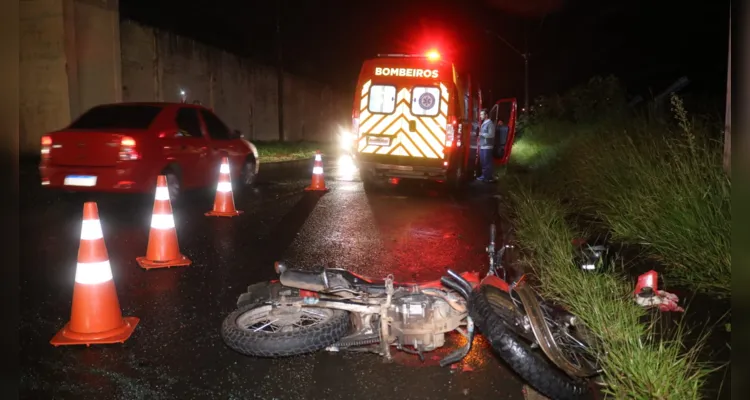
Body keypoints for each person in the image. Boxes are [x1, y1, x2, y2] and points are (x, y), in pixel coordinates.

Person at [477, 108, 495, 182]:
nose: (480, 116)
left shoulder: (490, 123)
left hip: (487, 146)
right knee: (483, 162)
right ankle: (484, 176)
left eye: (482, 114)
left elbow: (491, 134)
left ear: (486, 115)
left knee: (487, 163)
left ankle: (488, 177)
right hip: (483, 146)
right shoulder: (484, 123)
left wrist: (482, 134)